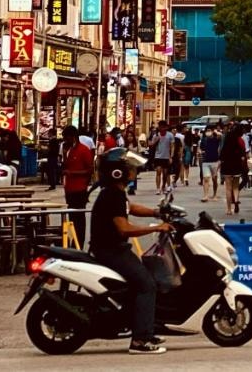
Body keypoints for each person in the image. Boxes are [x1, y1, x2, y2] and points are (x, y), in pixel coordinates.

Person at [89, 147, 169, 354]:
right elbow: (124, 229)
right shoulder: (112, 195)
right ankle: (140, 340)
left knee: (141, 282)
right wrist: (156, 227)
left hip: (114, 250)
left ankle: (144, 327)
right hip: (111, 251)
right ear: (118, 172)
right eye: (130, 168)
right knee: (147, 285)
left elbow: (130, 207)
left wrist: (156, 212)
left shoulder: (116, 193)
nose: (134, 171)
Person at [62, 126, 95, 212]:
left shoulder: (84, 150)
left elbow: (90, 170)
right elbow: (66, 166)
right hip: (69, 187)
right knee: (71, 213)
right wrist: (64, 154)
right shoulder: (69, 150)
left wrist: (73, 173)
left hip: (80, 188)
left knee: (79, 214)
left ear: (74, 137)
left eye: (67, 139)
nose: (66, 141)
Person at [220, 124, 248, 214]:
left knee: (228, 188)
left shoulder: (228, 138)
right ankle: (236, 202)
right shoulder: (239, 140)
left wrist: (221, 161)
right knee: (235, 187)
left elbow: (222, 151)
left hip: (227, 165)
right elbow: (243, 153)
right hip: (237, 165)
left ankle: (228, 209)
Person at [200, 126, 223, 201]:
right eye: (207, 130)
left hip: (215, 161)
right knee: (206, 178)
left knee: (214, 179)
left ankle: (215, 194)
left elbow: (220, 135)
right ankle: (206, 195)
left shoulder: (216, 139)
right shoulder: (204, 139)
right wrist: (201, 152)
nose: (208, 132)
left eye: (209, 130)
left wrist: (215, 131)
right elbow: (201, 148)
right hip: (205, 161)